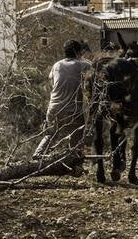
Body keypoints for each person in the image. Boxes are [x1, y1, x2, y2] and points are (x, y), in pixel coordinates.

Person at [34, 40, 94, 169]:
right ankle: (75, 163)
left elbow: (52, 81)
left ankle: (38, 155)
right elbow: (95, 70)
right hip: (72, 110)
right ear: (79, 52)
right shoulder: (82, 65)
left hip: (53, 107)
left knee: (50, 134)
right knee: (77, 135)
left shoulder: (57, 65)